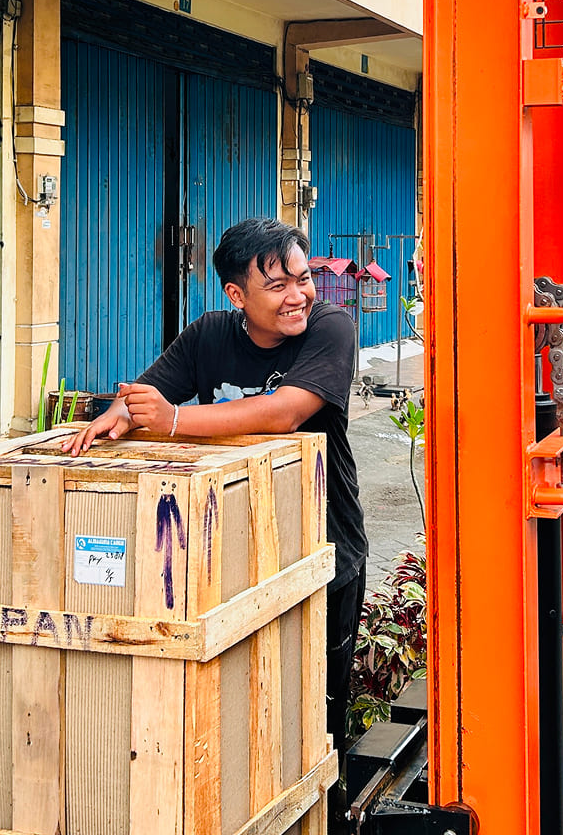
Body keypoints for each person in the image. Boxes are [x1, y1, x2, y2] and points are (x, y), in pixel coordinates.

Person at [60, 217, 367, 814]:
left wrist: (173, 421)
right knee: (238, 705)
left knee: (314, 709)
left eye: (302, 279)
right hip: (232, 555)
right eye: (277, 285)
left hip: (323, 549)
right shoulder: (208, 335)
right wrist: (116, 417)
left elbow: (284, 412)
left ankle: (320, 815)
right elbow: (144, 396)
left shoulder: (330, 328)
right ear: (237, 295)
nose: (298, 296)